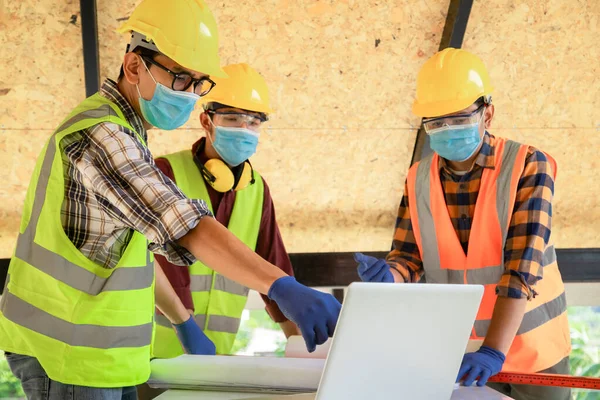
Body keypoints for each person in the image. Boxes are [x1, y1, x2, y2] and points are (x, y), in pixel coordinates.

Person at [0, 1, 340, 398]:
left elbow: (132, 252)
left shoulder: (129, 132)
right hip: (69, 349)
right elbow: (185, 225)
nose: (190, 94)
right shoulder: (103, 136)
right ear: (133, 67)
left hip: (106, 355)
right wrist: (281, 286)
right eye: (180, 78)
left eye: (199, 83)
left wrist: (183, 323)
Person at [354, 48, 571, 400]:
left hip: (535, 357)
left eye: (457, 118)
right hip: (460, 359)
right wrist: (390, 275)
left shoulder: (529, 164)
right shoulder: (418, 178)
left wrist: (493, 350)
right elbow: (409, 257)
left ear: (488, 113)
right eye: (435, 122)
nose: (446, 130)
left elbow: (523, 267)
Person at [151, 62, 300, 359]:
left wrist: (302, 342)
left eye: (254, 122)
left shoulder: (256, 189)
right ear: (207, 121)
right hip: (151, 356)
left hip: (216, 360)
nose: (244, 130)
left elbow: (274, 266)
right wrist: (186, 326)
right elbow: (163, 262)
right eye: (232, 118)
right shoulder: (166, 172)